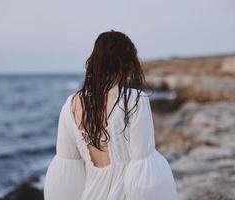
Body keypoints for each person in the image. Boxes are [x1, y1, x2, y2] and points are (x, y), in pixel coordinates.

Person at [44, 30, 177, 200]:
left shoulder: (70, 105)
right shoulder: (136, 100)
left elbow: (65, 174)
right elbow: (143, 168)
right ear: (127, 62)